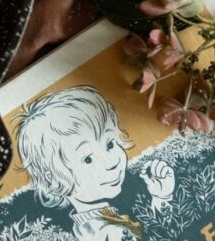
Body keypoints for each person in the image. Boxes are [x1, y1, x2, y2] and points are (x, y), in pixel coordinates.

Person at [15, 86, 175, 241]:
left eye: (110, 144)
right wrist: (162, 199)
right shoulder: (101, 231)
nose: (111, 162)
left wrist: (160, 197)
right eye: (88, 159)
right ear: (54, 178)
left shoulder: (99, 221)